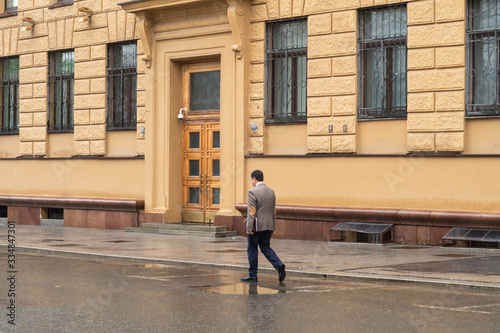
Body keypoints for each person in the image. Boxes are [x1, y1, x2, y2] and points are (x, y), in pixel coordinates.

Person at [241, 170, 286, 283]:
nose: (251, 181)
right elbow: (273, 211)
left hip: (256, 227)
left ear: (254, 179)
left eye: (252, 179)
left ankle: (253, 275)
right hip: (268, 225)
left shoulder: (252, 192)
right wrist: (273, 227)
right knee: (265, 248)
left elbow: (252, 211)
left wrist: (249, 228)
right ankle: (279, 264)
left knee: (252, 250)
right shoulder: (271, 191)